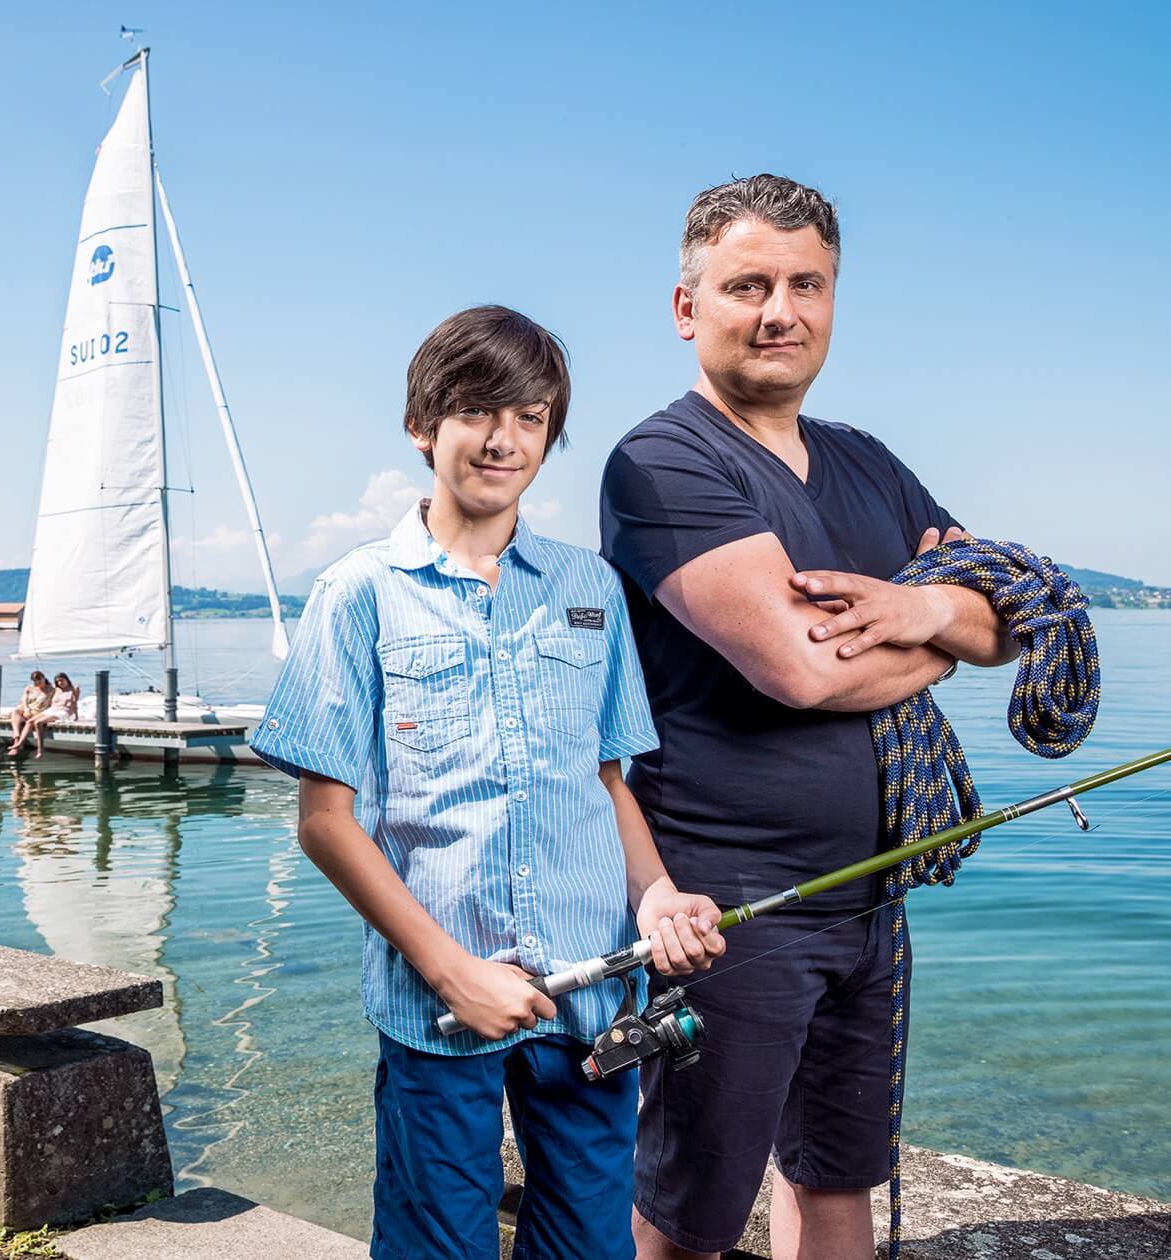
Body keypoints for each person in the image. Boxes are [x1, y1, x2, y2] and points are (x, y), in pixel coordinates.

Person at [599, 175, 1018, 1260]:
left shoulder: (868, 460)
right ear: (688, 308)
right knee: (690, 1211)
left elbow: (1007, 616)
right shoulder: (663, 461)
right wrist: (938, 636)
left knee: (838, 1184)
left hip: (870, 900)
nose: (780, 308)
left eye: (806, 284)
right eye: (747, 285)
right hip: (731, 907)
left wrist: (918, 605)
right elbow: (801, 670)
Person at [250, 305, 726, 1260]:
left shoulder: (588, 588)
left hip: (591, 995)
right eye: (476, 411)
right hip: (439, 1004)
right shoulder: (359, 592)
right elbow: (325, 823)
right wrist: (451, 969)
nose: (504, 438)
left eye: (532, 416)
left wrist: (661, 894)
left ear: (550, 435)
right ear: (424, 426)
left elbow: (606, 781)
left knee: (591, 1244)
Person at [24, 671, 79, 759]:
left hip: (63, 712)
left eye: (62, 680)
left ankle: (40, 749)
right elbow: (43, 691)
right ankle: (19, 743)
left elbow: (75, 703)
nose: (60, 683)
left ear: (67, 679)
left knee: (38, 722)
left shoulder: (74, 688)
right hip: (51, 710)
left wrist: (76, 715)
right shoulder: (56, 689)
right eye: (58, 682)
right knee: (30, 721)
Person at [7, 670, 53, 754]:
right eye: (35, 680)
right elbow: (24, 700)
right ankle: (16, 737)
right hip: (27, 709)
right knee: (16, 712)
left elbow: (54, 703)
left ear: (44, 678)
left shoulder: (51, 689)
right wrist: (27, 708)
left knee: (26, 720)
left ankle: (16, 745)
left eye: (39, 680)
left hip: (39, 711)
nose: (37, 682)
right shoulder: (29, 688)